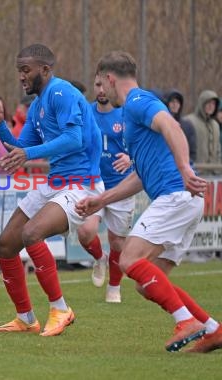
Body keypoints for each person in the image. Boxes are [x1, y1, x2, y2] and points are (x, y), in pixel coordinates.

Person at [76, 51, 222, 353]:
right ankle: (213, 330)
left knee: (129, 259)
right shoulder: (133, 112)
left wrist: (185, 168)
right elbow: (140, 176)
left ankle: (186, 322)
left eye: (99, 83)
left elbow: (171, 127)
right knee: (147, 282)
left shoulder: (137, 101)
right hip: (183, 200)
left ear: (110, 79)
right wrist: (101, 200)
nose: (100, 92)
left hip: (175, 196)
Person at [0, 43, 103, 336]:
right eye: (18, 71)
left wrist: (30, 154)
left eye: (26, 70)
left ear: (45, 70)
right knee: (5, 245)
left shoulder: (63, 93)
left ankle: (61, 309)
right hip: (56, 182)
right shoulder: (37, 106)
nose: (21, 76)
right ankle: (25, 318)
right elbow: (22, 147)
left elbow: (74, 139)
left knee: (32, 233)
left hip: (82, 183)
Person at [76, 74, 134, 303]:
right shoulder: (86, 112)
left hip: (121, 186)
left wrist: (130, 157)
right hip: (93, 184)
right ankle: (100, 258)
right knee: (85, 232)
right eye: (97, 84)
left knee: (118, 242)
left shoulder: (125, 115)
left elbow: (139, 144)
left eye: (104, 85)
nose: (100, 90)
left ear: (113, 87)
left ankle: (114, 287)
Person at [182, 90, 221, 170]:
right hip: (195, 172)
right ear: (201, 104)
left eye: (213, 104)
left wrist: (218, 170)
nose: (211, 106)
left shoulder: (216, 125)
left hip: (214, 175)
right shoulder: (189, 121)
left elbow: (218, 150)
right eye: (208, 103)